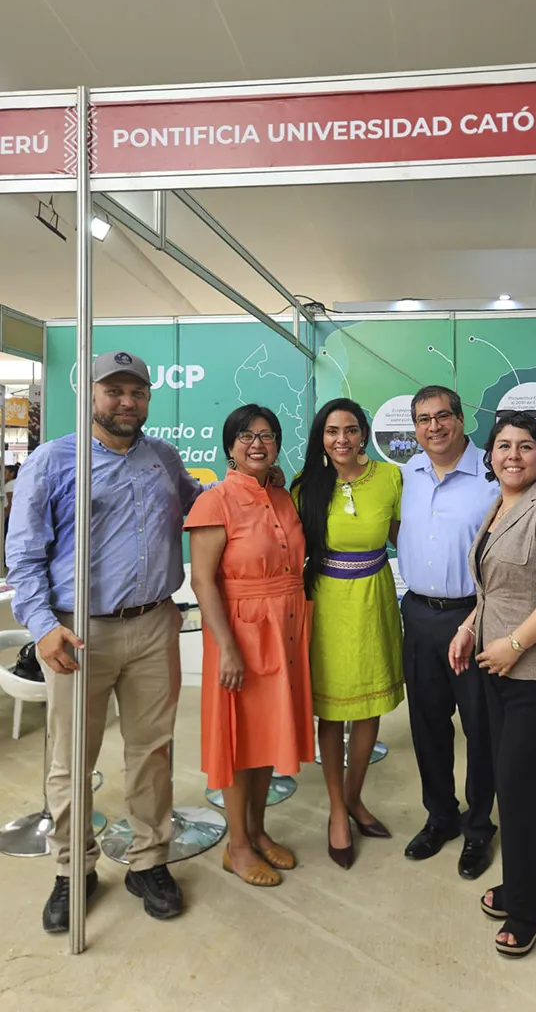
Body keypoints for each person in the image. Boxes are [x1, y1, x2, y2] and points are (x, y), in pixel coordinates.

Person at [9, 351, 202, 933]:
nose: (126, 402)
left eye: (136, 392)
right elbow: (23, 555)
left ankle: (149, 860)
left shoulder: (163, 458)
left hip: (153, 623)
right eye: (114, 391)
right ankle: (73, 868)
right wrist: (42, 626)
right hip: (76, 632)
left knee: (152, 751)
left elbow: (203, 507)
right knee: (72, 760)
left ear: (147, 399)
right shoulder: (52, 460)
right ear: (91, 395)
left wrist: (255, 486)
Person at [449, 410, 536, 958]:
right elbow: (495, 591)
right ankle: (523, 883)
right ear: (490, 455)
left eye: (525, 446)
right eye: (503, 445)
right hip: (498, 667)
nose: (513, 455)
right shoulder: (500, 507)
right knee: (512, 786)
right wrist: (469, 627)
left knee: (528, 791)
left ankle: (532, 907)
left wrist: (515, 643)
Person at [185, 404, 314, 887]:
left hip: (284, 630)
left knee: (267, 738)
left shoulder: (281, 496)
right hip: (239, 634)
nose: (257, 444)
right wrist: (227, 648)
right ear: (229, 446)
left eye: (267, 435)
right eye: (246, 436)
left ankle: (258, 831)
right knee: (241, 743)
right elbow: (202, 581)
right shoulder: (214, 501)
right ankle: (236, 846)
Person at [292, 398, 403, 869]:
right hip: (327, 603)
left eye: (351, 430)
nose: (342, 439)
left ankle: (355, 798)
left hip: (375, 597)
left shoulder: (390, 478)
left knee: (369, 707)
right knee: (333, 711)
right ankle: (338, 810)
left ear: (363, 434)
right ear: (321, 437)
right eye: (332, 431)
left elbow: (403, 537)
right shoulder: (305, 486)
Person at [398, 386, 499, 880]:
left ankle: (479, 826)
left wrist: (477, 620)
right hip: (419, 616)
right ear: (415, 428)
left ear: (461, 419)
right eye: (423, 419)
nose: (433, 427)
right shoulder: (405, 475)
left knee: (481, 729)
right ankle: (440, 816)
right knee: (427, 726)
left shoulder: (493, 475)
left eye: (442, 416)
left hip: (476, 618)